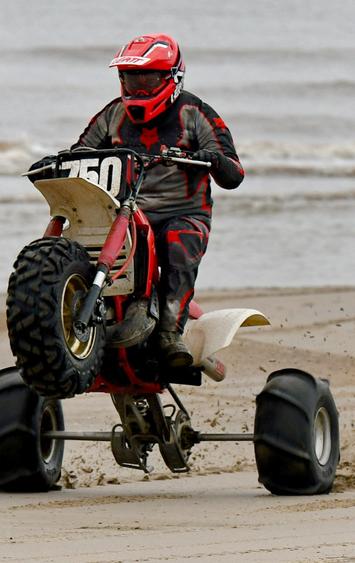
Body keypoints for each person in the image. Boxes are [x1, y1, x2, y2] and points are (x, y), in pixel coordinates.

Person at [41, 34, 245, 368]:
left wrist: (211, 159)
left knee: (179, 245)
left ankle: (169, 333)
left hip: (182, 213)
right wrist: (55, 163)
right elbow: (81, 153)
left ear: (172, 77)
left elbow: (233, 173)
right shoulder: (113, 114)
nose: (138, 87)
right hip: (125, 212)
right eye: (130, 78)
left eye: (148, 78)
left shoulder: (195, 114)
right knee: (80, 241)